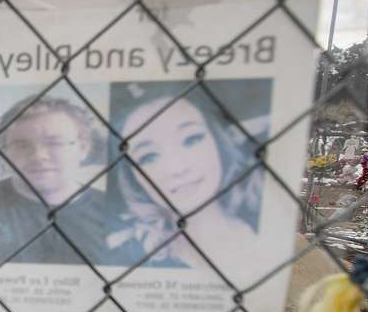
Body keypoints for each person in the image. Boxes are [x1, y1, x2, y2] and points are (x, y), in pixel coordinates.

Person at [107, 83, 263, 269]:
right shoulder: (126, 257)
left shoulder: (266, 215)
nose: (177, 168)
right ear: (134, 178)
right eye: (148, 157)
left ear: (218, 142)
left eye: (192, 139)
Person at [0, 95, 117, 265]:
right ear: (3, 150)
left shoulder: (115, 214)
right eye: (22, 145)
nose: (39, 156)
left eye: (54, 143)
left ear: (83, 147)